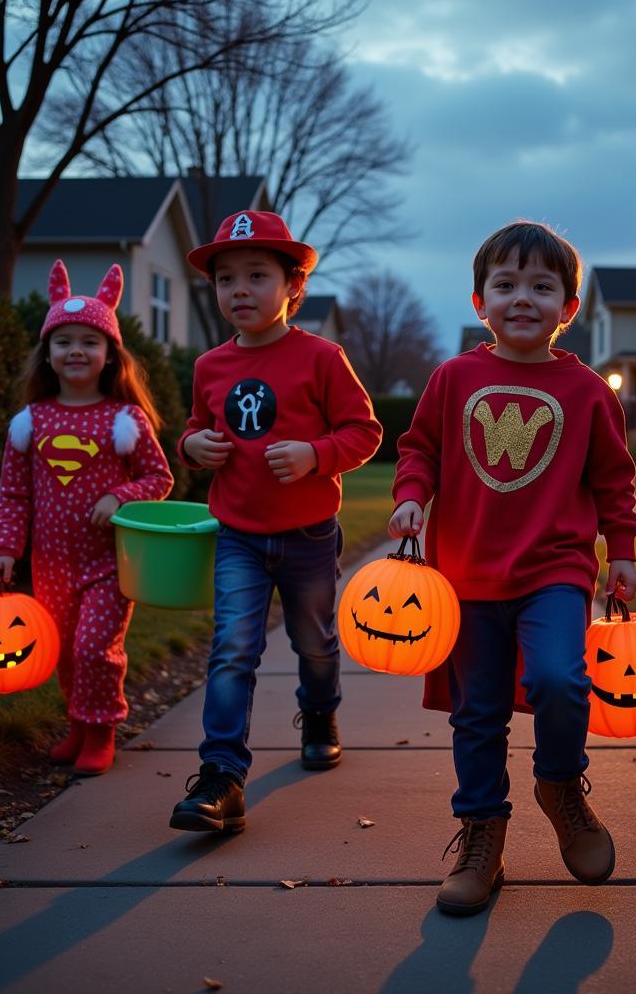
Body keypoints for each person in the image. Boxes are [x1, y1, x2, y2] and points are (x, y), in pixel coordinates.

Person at [389, 221, 636, 916]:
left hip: (554, 568)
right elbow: (419, 451)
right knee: (478, 715)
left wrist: (621, 552)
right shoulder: (454, 377)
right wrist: (411, 499)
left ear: (568, 307)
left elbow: (615, 482)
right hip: (465, 574)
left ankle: (560, 785)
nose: (521, 297)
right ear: (480, 302)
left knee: (561, 680)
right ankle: (482, 834)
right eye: (505, 284)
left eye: (541, 286)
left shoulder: (589, 390)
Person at [168, 211, 382, 835]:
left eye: (256, 275)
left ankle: (320, 713)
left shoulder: (321, 357)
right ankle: (221, 776)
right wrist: (192, 449)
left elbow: (364, 432)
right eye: (225, 278)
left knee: (314, 642)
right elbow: (193, 427)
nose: (239, 289)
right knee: (234, 648)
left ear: (294, 287)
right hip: (237, 531)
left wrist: (317, 454)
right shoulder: (210, 366)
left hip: (309, 533)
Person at [0, 260, 174, 776]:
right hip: (51, 564)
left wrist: (120, 495)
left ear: (110, 354)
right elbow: (13, 493)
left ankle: (102, 730)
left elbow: (160, 478)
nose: (76, 351)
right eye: (64, 341)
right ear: (47, 354)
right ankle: (77, 724)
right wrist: (6, 549)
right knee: (65, 651)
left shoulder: (125, 419)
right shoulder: (31, 421)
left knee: (96, 646)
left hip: (110, 563)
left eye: (89, 341)